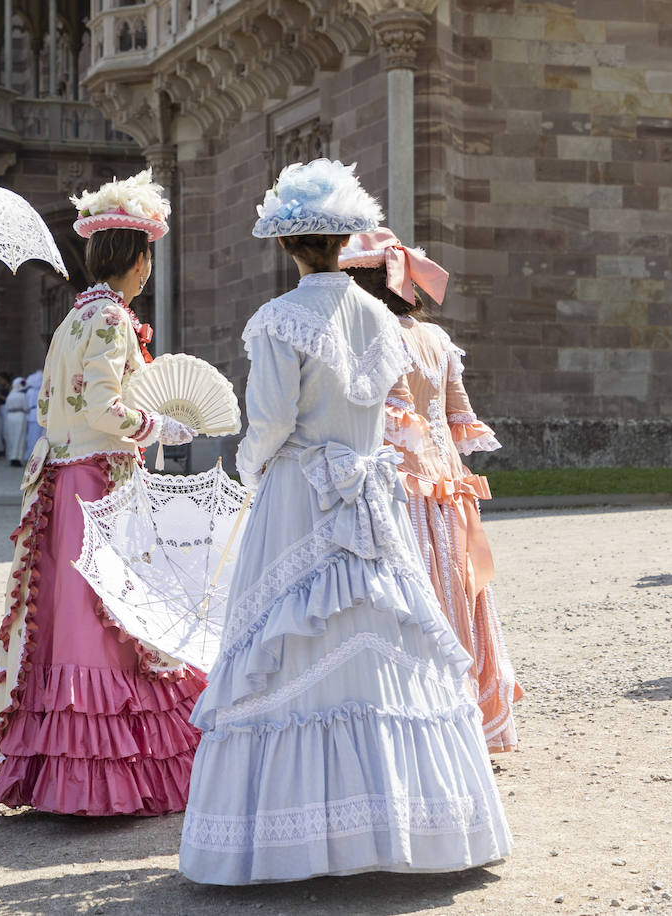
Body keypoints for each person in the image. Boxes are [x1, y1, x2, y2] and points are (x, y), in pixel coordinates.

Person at [179, 160, 510, 884]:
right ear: (344, 240)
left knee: (292, 642)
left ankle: (304, 835)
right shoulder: (380, 318)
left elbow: (268, 420)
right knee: (381, 637)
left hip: (303, 490)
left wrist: (252, 468)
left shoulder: (280, 318)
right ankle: (402, 823)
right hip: (371, 492)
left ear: (288, 247)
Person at [0, 169, 202, 815]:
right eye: (149, 256)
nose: (149, 268)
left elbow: (59, 403)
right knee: (103, 620)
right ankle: (100, 776)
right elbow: (103, 404)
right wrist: (159, 423)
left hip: (66, 478)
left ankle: (62, 770)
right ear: (137, 258)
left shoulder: (76, 317)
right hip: (98, 481)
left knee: (76, 616)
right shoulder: (111, 319)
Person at [341, 227, 523, 754]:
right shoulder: (438, 338)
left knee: (416, 589)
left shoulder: (377, 335)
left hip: (406, 486)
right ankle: (471, 710)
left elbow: (391, 420)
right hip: (449, 485)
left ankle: (428, 714)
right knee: (455, 588)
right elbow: (457, 416)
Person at [2, 376, 29, 466]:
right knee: (19, 437)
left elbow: (6, 407)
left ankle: (11, 457)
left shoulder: (10, 395)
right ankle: (17, 458)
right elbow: (26, 407)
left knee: (11, 437)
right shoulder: (22, 395)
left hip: (10, 416)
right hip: (20, 415)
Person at [24, 367, 45, 457]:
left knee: (32, 436)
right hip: (39, 413)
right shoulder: (41, 391)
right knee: (37, 436)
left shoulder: (30, 391)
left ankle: (31, 455)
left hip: (32, 414)